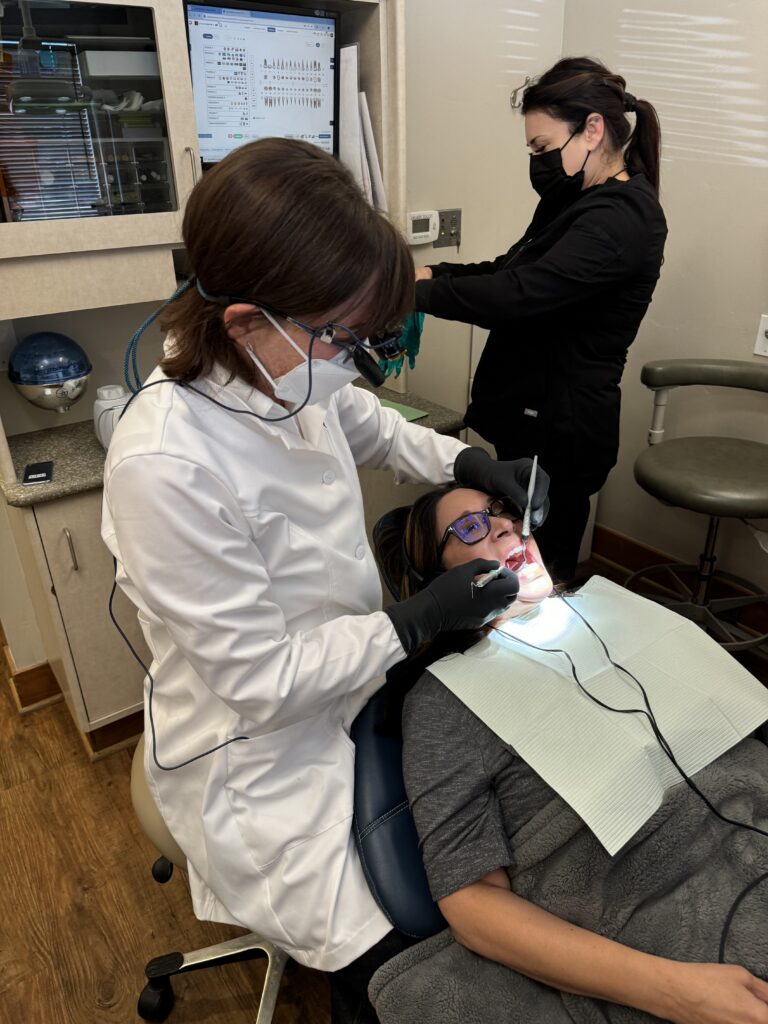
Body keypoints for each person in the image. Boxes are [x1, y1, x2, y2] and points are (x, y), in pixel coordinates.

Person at [100, 137, 549, 1022]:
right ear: (241, 320)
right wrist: (417, 622)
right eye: (344, 337)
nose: (359, 359)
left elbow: (368, 421)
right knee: (393, 959)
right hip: (258, 757)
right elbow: (263, 684)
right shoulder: (166, 465)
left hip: (353, 683)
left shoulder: (291, 372)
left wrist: (463, 457)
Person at [373, 484, 768, 1024]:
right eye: (469, 527)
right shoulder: (446, 700)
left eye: (506, 513)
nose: (503, 527)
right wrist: (677, 991)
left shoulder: (619, 611)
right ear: (439, 583)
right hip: (677, 912)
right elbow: (470, 903)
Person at [414, 57, 668, 584]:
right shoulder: (572, 201)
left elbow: (519, 295)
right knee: (509, 563)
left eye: (541, 147)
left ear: (592, 129)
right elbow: (509, 270)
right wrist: (431, 270)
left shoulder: (623, 218)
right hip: (527, 411)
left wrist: (417, 294)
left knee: (538, 575)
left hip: (562, 426)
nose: (536, 161)